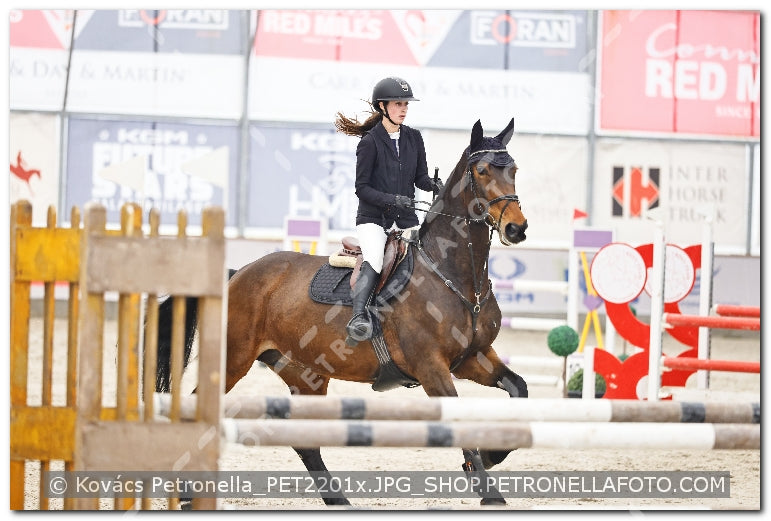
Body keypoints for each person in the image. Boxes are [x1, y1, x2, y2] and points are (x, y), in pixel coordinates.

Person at [335, 76, 443, 345]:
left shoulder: (414, 138)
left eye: (406, 104)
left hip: (406, 219)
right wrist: (393, 200)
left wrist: (433, 184)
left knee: (429, 258)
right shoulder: (370, 142)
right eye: (398, 104)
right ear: (382, 106)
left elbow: (420, 178)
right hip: (374, 220)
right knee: (374, 258)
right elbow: (362, 188)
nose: (404, 109)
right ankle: (359, 318)